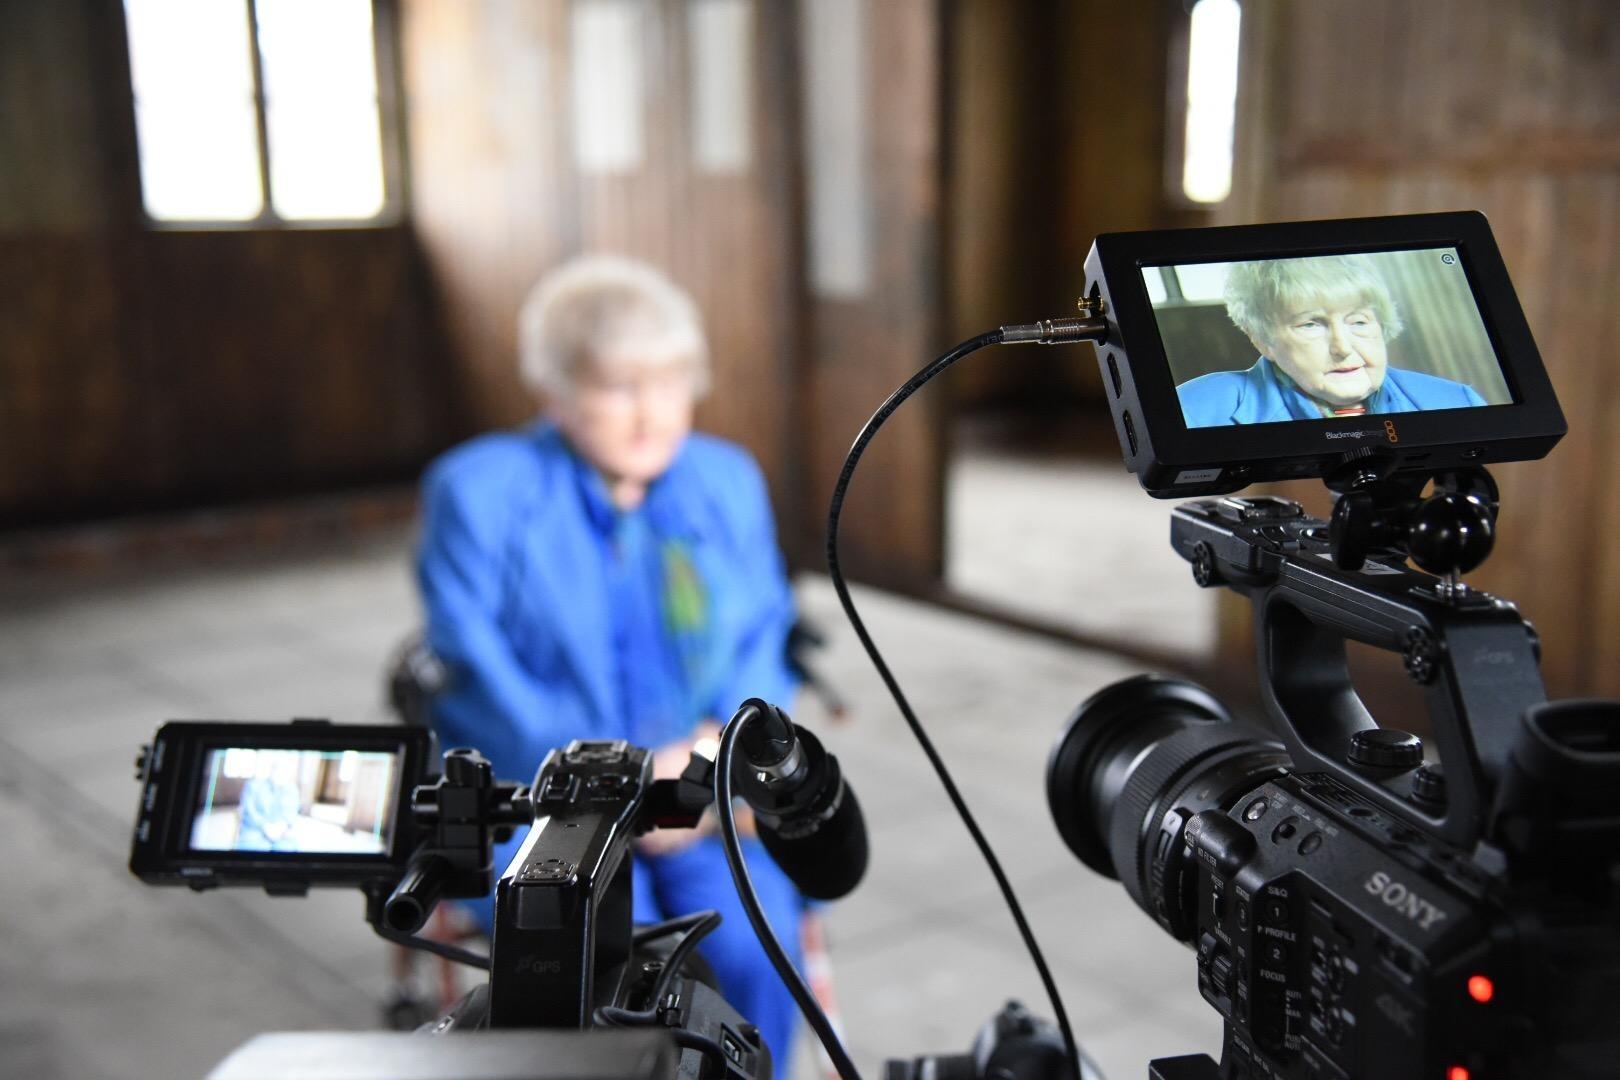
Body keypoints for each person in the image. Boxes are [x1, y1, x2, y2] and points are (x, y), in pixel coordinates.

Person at [415, 255, 804, 1065]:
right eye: (617, 388)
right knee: (578, 979)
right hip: (541, 806)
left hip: (703, 795)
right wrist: (622, 793)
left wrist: (706, 767)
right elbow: (480, 679)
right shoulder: (477, 492)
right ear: (553, 392)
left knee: (751, 948)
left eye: (670, 383)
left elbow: (764, 638)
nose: (652, 413)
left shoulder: (726, 480)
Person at [1177, 254, 1488, 427]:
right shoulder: (1193, 409)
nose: (1343, 348)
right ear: (1262, 340)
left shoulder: (1460, 402)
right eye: (1311, 324)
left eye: (1359, 321)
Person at [236, 751, 303, 852]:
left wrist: (281, 827)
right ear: (272, 769)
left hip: (281, 833)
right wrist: (265, 826)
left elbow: (290, 813)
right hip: (254, 830)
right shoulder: (254, 785)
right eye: (278, 768)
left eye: (286, 769)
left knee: (288, 849)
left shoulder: (292, 789)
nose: (281, 772)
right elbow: (248, 810)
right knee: (254, 849)